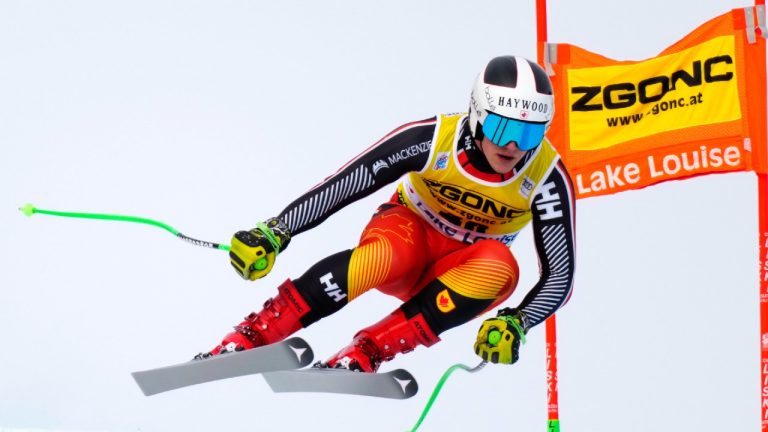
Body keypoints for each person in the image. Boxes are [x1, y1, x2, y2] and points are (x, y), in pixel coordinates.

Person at [196, 55, 576, 371]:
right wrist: (278, 230)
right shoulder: (432, 139)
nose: (512, 145)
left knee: (501, 265)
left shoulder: (545, 176)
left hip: (458, 274)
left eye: (529, 133)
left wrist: (518, 321)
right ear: (477, 114)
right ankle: (253, 335)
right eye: (502, 126)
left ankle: (369, 350)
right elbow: (349, 181)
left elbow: (560, 275)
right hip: (407, 236)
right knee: (388, 256)